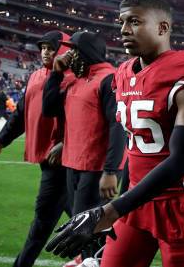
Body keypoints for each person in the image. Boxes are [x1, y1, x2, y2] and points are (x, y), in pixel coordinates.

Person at [45, 0, 184, 267]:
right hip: (135, 203)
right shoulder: (124, 73)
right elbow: (134, 145)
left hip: (178, 206)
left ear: (163, 27)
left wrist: (111, 210)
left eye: (135, 22)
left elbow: (179, 161)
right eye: (122, 22)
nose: (124, 30)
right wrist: (122, 201)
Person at [0, 31, 73, 267]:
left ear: (64, 50)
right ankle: (106, 254)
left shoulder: (73, 78)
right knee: (82, 216)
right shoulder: (35, 76)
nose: (45, 52)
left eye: (51, 48)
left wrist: (67, 142)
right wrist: (0, 143)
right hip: (48, 157)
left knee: (43, 221)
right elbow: (20, 114)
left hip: (64, 160)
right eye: (42, 47)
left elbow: (86, 119)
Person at [42, 31, 126, 264]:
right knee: (82, 221)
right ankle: (90, 259)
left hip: (97, 167)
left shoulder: (109, 79)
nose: (69, 55)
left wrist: (111, 171)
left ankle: (95, 261)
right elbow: (49, 109)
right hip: (73, 162)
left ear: (87, 52)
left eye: (74, 50)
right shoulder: (74, 79)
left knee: (88, 222)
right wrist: (56, 74)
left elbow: (117, 126)